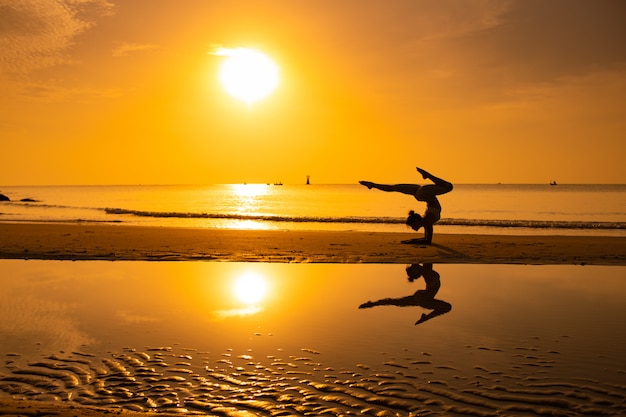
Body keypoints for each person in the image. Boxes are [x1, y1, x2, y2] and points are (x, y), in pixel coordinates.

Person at [359, 167, 453, 245]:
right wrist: (410, 241)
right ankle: (426, 175)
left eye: (412, 226)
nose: (413, 228)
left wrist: (410, 241)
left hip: (421, 193)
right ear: (417, 221)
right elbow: (427, 241)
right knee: (449, 187)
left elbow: (426, 240)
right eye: (413, 226)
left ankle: (372, 185)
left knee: (394, 188)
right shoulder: (427, 221)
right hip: (422, 193)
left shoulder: (427, 222)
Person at [359, 263, 451, 325]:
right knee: (447, 307)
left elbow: (424, 263)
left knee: (396, 302)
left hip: (422, 297)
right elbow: (425, 263)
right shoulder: (426, 271)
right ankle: (426, 318)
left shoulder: (426, 271)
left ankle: (372, 303)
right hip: (424, 299)